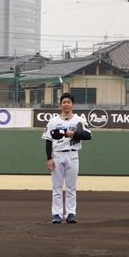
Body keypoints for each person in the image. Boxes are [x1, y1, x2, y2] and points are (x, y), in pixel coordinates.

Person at [42, 92, 91, 224]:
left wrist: (74, 133)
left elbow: (88, 136)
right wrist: (49, 158)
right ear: (60, 105)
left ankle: (70, 213)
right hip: (57, 154)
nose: (66, 104)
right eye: (64, 102)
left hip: (72, 154)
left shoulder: (79, 120)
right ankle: (57, 214)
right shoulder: (53, 121)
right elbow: (48, 141)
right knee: (57, 187)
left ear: (73, 104)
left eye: (69, 102)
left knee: (71, 187)